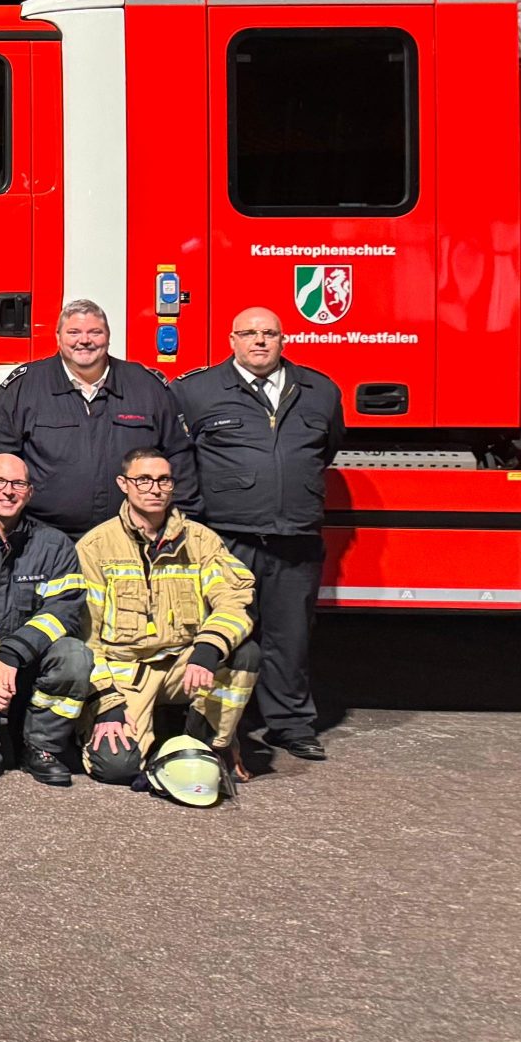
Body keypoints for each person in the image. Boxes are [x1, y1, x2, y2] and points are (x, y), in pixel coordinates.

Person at [179, 306, 346, 762]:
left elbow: (327, 448)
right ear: (231, 340)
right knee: (221, 632)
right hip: (226, 539)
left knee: (289, 639)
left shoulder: (319, 390)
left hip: (295, 537)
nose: (259, 341)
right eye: (249, 333)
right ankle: (214, 725)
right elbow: (181, 459)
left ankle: (291, 725)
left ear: (282, 339)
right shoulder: (195, 391)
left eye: (269, 333)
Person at [78, 446, 261, 788]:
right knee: (116, 768)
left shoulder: (201, 541)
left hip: (185, 666)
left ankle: (211, 744)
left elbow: (236, 599)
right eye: (143, 480)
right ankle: (133, 735)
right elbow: (85, 638)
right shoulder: (96, 546)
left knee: (244, 654)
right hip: (127, 675)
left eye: (164, 480)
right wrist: (107, 703)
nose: (155, 488)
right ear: (123, 484)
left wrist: (208, 648)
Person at [0, 299, 195, 538]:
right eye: (73, 332)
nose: (84, 340)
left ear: (108, 337)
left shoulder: (146, 386)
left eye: (95, 332)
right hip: (43, 538)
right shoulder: (24, 387)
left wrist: (182, 524)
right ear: (58, 337)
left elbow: (179, 456)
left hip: (134, 536)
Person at [0, 454, 94, 787]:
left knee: (74, 656)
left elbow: (65, 610)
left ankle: (40, 745)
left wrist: (15, 652)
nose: (8, 491)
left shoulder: (54, 545)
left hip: (29, 669)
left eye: (18, 483)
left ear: (29, 492)